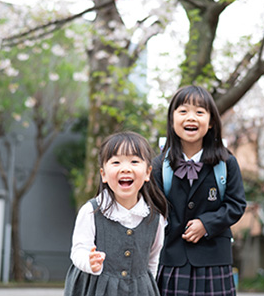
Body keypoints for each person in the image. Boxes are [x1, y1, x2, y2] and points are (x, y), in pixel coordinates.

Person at [153, 85, 247, 296]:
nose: (191, 118)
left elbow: (237, 204)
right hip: (172, 260)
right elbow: (154, 212)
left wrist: (207, 224)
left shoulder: (226, 162)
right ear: (172, 119)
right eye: (183, 111)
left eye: (200, 112)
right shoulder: (160, 166)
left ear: (211, 121)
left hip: (215, 260)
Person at [64, 131, 167, 296]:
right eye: (116, 162)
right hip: (95, 289)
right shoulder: (92, 211)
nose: (125, 169)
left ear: (148, 172)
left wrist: (148, 285)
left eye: (134, 161)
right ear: (103, 174)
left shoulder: (155, 218)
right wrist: (89, 262)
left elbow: (152, 260)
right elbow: (78, 250)